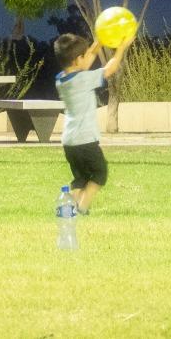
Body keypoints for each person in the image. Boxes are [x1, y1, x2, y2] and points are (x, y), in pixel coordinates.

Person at [53, 30, 135, 214]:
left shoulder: (61, 79)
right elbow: (110, 69)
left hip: (69, 141)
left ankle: (68, 205)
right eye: (83, 56)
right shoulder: (83, 79)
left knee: (80, 177)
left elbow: (83, 63)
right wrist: (121, 48)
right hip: (85, 140)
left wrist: (98, 43)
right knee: (99, 174)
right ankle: (82, 207)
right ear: (76, 59)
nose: (87, 58)